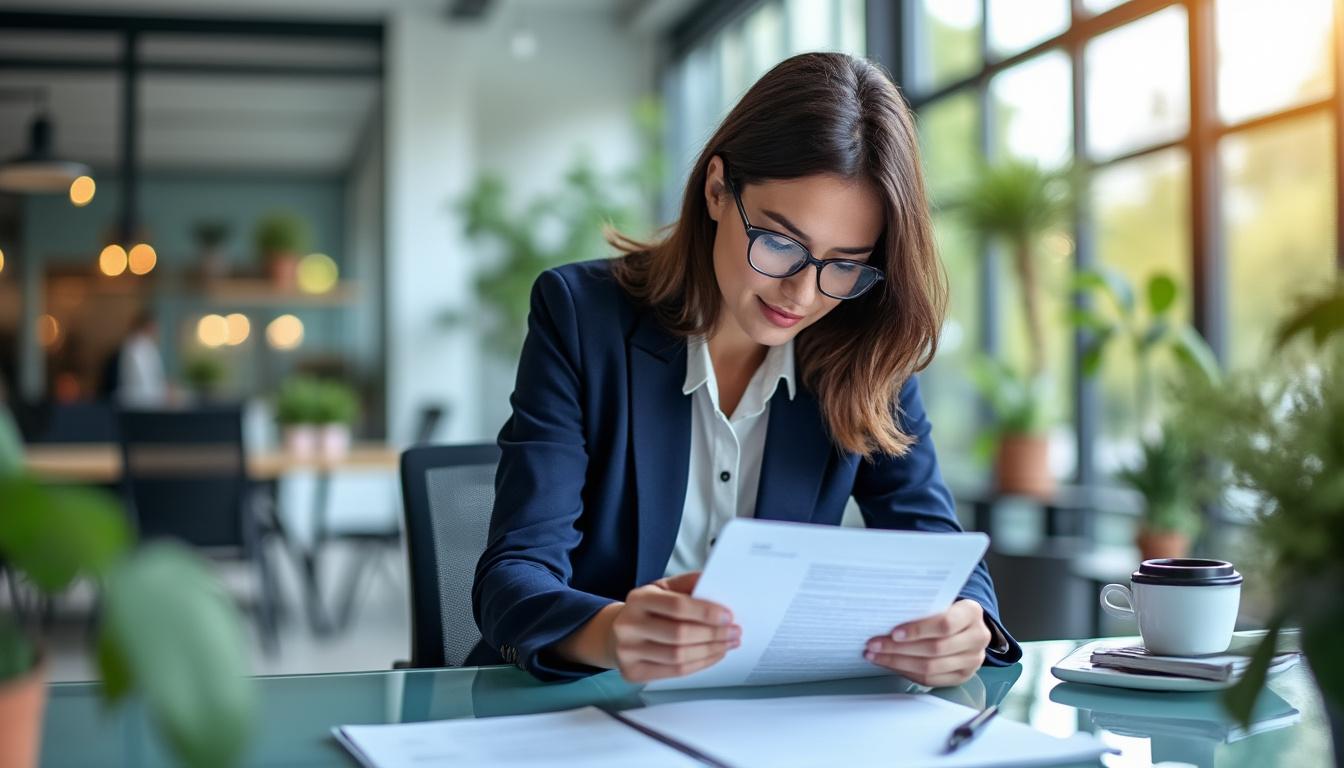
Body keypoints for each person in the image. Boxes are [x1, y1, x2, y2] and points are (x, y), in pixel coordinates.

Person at [471, 52, 1021, 685]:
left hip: (765, 718)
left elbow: (939, 548)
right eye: (782, 244)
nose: (804, 294)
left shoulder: (863, 345)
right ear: (715, 188)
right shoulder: (581, 317)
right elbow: (512, 575)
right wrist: (611, 634)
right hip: (579, 705)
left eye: (844, 263)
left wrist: (964, 619)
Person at [103, 310, 168, 406]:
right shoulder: (136, 348)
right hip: (137, 405)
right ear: (148, 326)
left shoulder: (146, 346)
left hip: (144, 403)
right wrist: (164, 394)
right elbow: (143, 384)